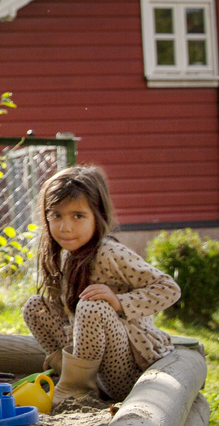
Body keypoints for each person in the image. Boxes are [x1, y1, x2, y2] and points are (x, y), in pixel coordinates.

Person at [22, 164, 179, 404]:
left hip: (126, 371)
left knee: (91, 306)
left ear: (99, 216)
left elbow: (169, 288)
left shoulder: (109, 253)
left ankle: (76, 388)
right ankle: (67, 374)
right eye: (56, 215)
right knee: (35, 306)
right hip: (91, 366)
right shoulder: (65, 255)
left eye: (78, 216)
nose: (66, 227)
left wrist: (119, 302)